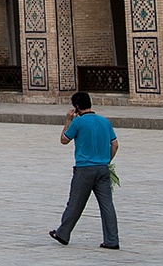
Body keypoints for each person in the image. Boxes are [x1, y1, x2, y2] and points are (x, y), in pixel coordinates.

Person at [49, 90, 120, 250]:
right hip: (103, 169)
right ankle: (112, 240)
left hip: (84, 169)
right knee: (107, 205)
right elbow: (115, 144)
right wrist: (106, 161)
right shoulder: (104, 121)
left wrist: (68, 120)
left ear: (77, 107)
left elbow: (64, 140)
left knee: (75, 203)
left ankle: (62, 233)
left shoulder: (78, 122)